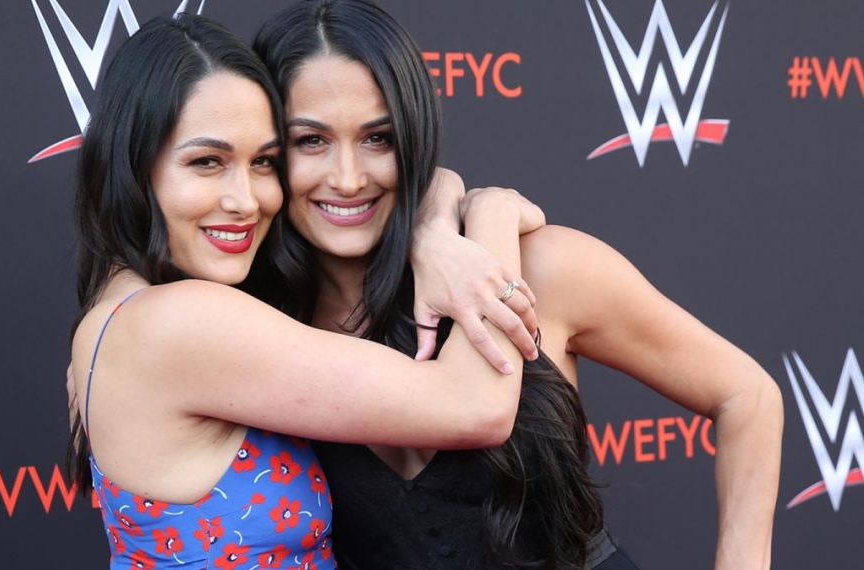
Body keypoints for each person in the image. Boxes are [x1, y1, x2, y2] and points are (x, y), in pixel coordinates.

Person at [251, 1, 784, 569]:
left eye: (378, 138)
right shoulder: (258, 328)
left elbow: (747, 397)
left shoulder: (542, 269)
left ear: (413, 135)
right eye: (311, 141)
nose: (349, 177)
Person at [67, 13, 546, 569]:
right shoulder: (178, 321)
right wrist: (489, 215)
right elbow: (476, 408)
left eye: (264, 162)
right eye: (207, 162)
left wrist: (435, 220)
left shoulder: (117, 314)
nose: (245, 200)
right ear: (132, 165)